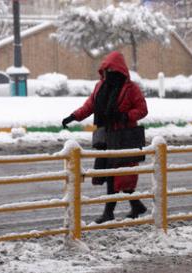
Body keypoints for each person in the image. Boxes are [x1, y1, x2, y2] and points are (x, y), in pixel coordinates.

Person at [62, 51, 148, 224]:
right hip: (106, 137)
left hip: (124, 137)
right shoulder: (100, 87)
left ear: (120, 71)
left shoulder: (131, 89)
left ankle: (109, 212)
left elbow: (142, 109)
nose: (109, 74)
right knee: (114, 175)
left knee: (118, 175)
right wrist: (73, 116)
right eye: (107, 70)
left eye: (112, 70)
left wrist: (125, 116)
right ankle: (137, 205)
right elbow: (89, 106)